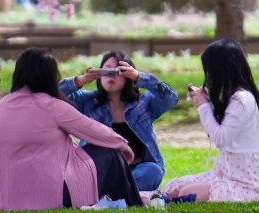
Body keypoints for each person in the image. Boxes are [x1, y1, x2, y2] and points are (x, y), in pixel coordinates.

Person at [0, 48, 138, 210]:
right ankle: (133, 203)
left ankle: (126, 203)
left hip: (8, 199)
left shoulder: (2, 105)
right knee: (110, 153)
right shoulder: (52, 106)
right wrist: (122, 144)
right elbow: (94, 130)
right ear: (50, 75)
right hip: (49, 197)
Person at [160, 39, 259, 202]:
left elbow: (220, 139)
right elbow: (218, 134)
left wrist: (203, 107)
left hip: (247, 184)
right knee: (172, 187)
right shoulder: (233, 99)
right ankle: (151, 200)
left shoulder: (242, 99)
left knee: (187, 193)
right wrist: (209, 105)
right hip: (223, 175)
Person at [59, 50, 178, 192]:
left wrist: (140, 77)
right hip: (99, 171)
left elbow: (171, 98)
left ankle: (106, 195)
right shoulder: (88, 101)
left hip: (136, 171)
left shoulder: (144, 103)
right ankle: (123, 194)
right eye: (106, 69)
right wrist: (81, 80)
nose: (110, 75)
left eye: (117, 70)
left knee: (153, 171)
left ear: (128, 76)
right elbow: (53, 94)